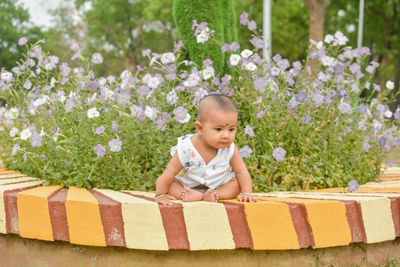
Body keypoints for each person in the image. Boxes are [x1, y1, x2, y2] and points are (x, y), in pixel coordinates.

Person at [155, 94, 257, 205]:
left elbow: (241, 171)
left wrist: (247, 193)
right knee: (169, 183)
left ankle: (215, 194)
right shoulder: (187, 147)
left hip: (218, 185)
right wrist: (160, 194)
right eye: (219, 129)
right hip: (187, 185)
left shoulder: (230, 148)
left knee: (237, 184)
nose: (226, 135)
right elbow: (169, 171)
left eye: (231, 129)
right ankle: (188, 194)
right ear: (200, 128)